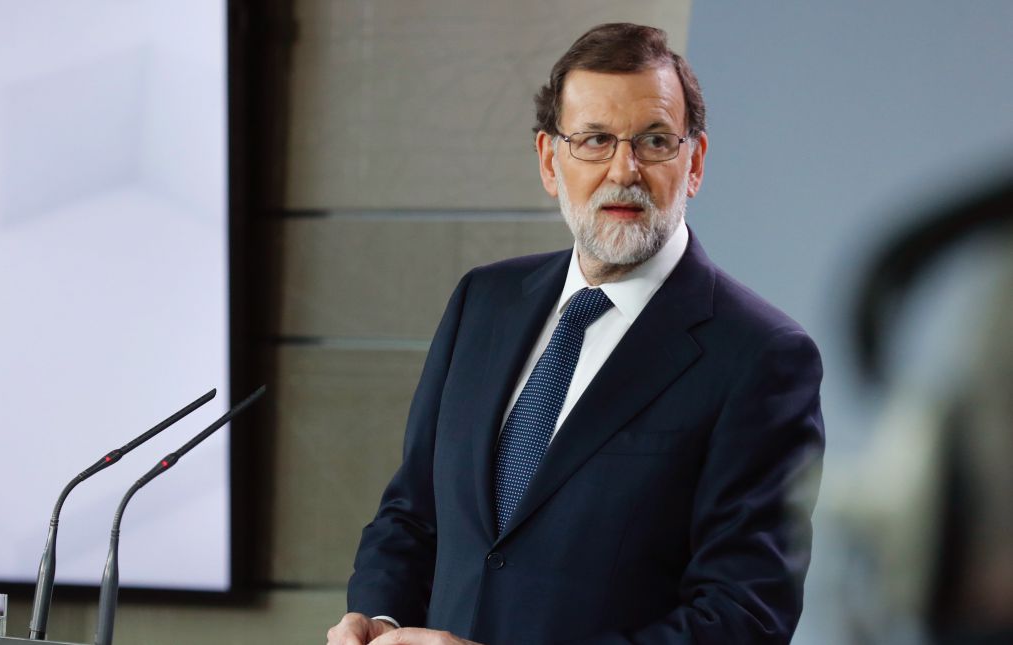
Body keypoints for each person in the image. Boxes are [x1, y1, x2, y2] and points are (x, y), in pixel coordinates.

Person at [327, 23, 824, 645]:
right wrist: (380, 618)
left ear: (693, 163)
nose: (625, 168)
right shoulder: (483, 302)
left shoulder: (761, 356)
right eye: (594, 140)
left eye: (654, 141)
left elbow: (742, 617)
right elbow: (412, 513)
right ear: (548, 160)